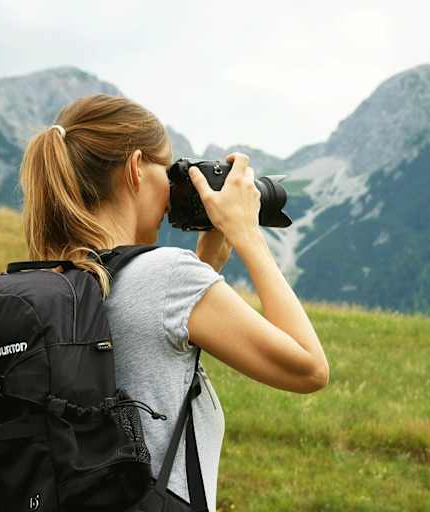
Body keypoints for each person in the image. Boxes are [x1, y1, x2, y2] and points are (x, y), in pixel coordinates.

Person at [18, 94, 330, 510]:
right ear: (134, 169)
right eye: (166, 170)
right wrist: (247, 233)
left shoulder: (51, 283)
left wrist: (207, 266)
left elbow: (150, 342)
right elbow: (309, 369)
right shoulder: (167, 278)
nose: (171, 187)